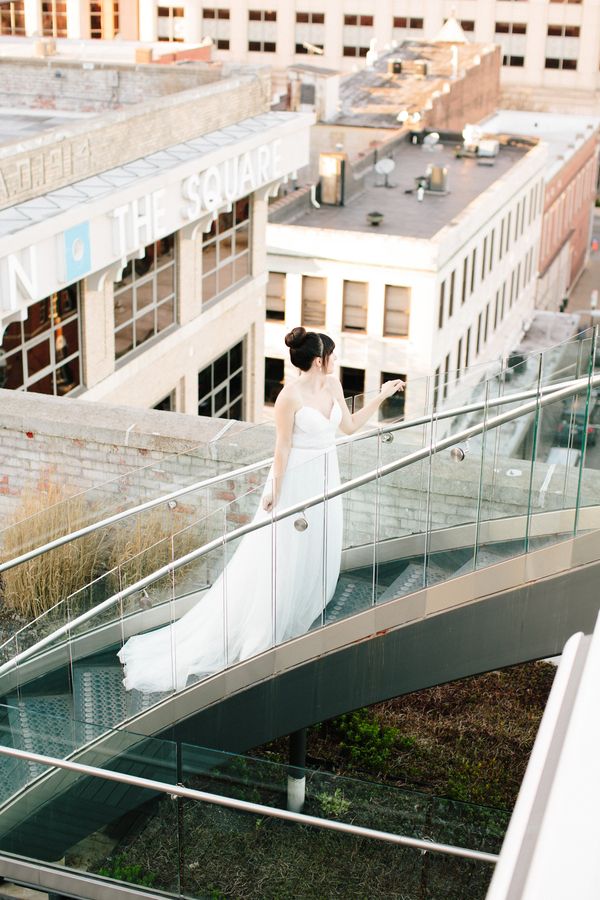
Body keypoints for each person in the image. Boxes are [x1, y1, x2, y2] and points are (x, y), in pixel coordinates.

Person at [118, 328, 404, 693]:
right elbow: (282, 448)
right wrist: (276, 492)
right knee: (281, 553)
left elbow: (347, 428)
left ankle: (303, 607)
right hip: (295, 479)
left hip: (325, 477)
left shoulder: (332, 386)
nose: (334, 359)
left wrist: (380, 395)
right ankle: (264, 626)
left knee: (317, 542)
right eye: (331, 354)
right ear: (319, 359)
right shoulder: (289, 397)